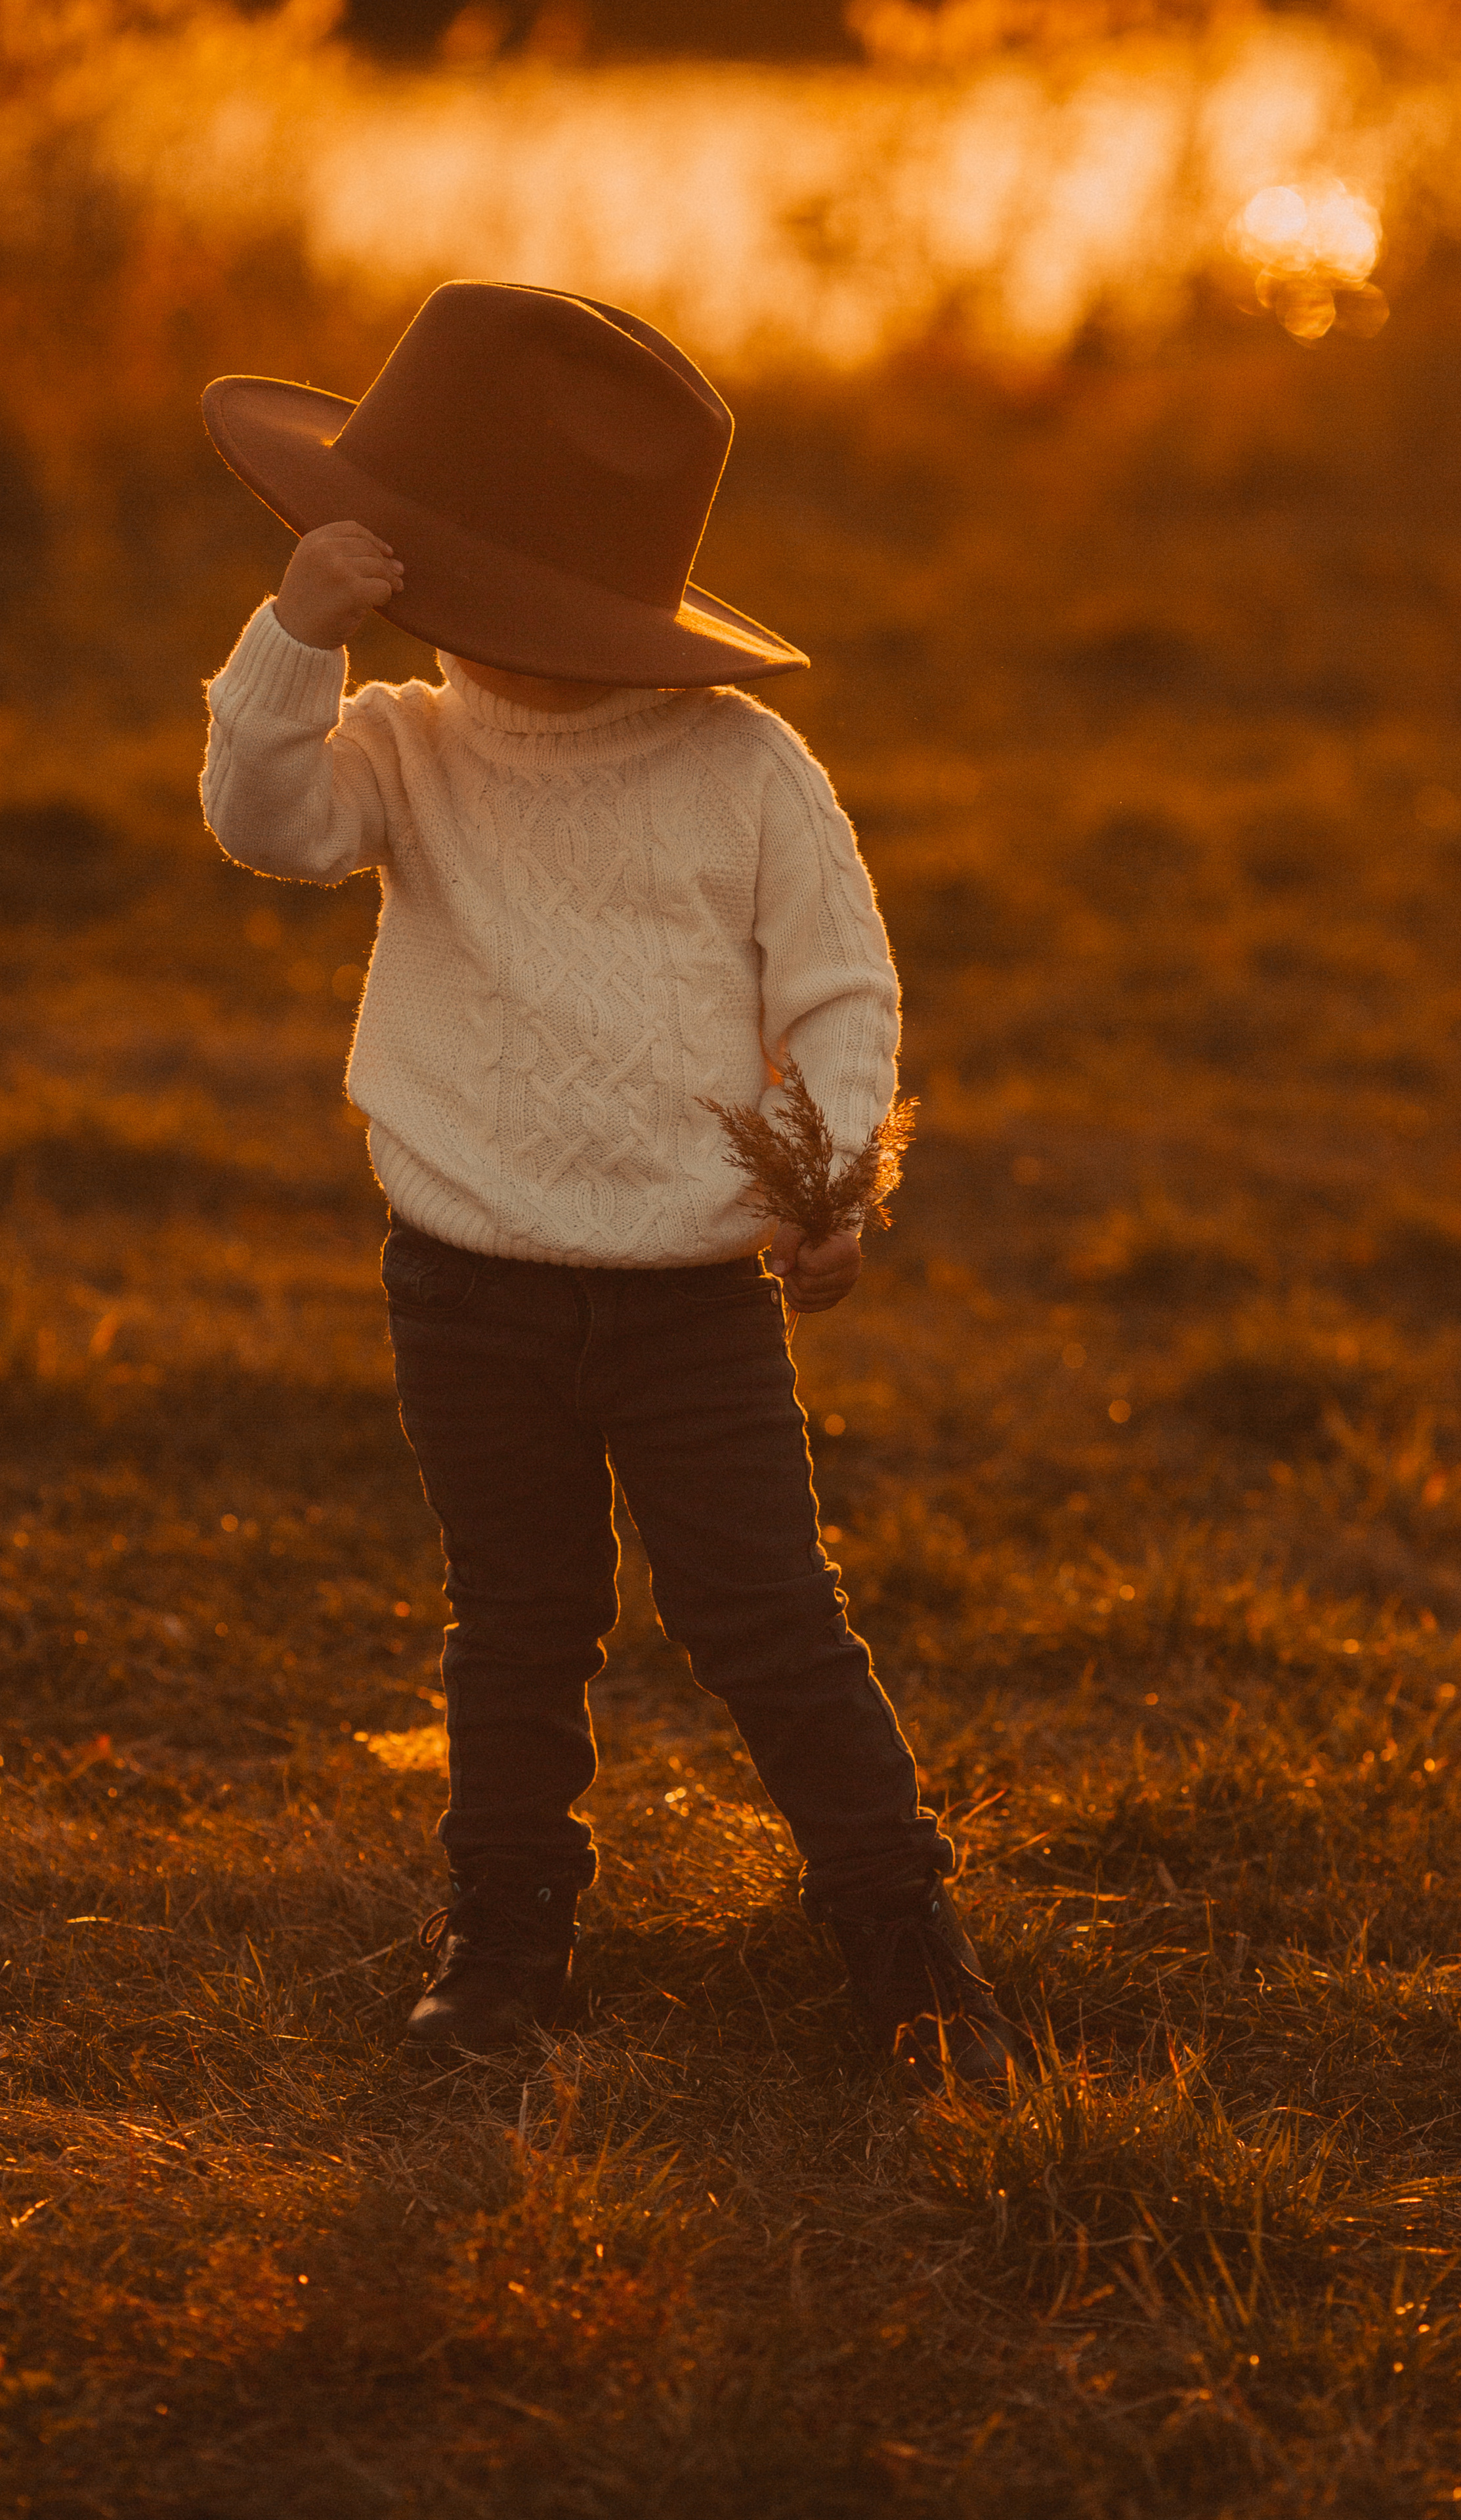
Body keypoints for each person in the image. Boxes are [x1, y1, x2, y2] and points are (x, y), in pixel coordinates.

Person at [198, 280, 1014, 2086]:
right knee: (516, 1620)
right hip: (465, 1281)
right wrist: (291, 642)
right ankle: (504, 1943)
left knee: (769, 1618)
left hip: (688, 1300)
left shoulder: (744, 771)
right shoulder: (405, 747)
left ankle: (900, 1928)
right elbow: (264, 825)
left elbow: (840, 985)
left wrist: (833, 1174)